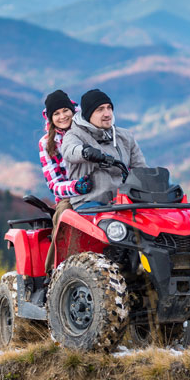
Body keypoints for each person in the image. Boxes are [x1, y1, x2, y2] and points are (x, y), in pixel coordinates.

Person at [61, 88, 147, 208]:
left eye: (109, 108)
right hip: (89, 203)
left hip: (122, 202)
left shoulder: (125, 136)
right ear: (88, 115)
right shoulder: (74, 135)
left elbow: (141, 168)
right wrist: (85, 152)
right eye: (100, 109)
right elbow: (70, 151)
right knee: (108, 219)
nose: (107, 114)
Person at [39, 89, 92, 273]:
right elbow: (54, 184)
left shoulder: (87, 129)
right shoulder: (47, 143)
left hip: (99, 187)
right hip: (69, 195)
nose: (62, 116)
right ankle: (55, 271)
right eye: (56, 113)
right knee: (65, 215)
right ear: (50, 118)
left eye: (65, 110)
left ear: (73, 110)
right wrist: (76, 187)